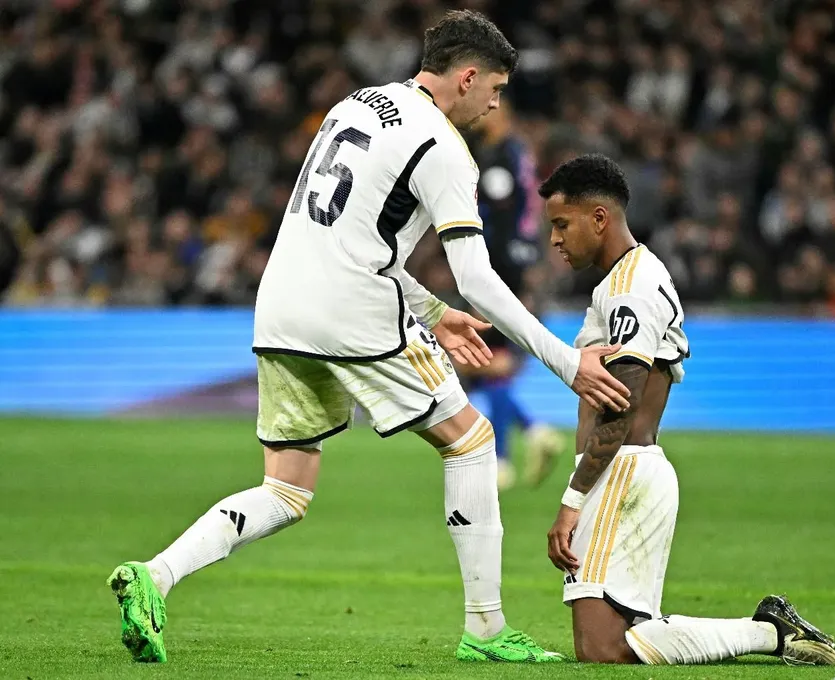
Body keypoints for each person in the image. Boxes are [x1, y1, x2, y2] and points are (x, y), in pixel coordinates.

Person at [106, 11, 630, 665]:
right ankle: (488, 630)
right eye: (494, 88)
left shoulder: (356, 104)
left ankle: (154, 578)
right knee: (472, 441)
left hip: (281, 308)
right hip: (352, 309)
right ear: (467, 77)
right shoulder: (443, 148)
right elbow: (480, 278)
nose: (496, 103)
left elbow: (351, 239)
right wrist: (566, 363)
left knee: (287, 488)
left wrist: (433, 313)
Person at [539, 154, 835, 667]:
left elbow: (624, 399)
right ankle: (770, 631)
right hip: (630, 470)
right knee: (624, 640)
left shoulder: (629, 289)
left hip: (621, 470)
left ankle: (767, 634)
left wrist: (573, 497)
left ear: (600, 219)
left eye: (561, 224)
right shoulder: (631, 278)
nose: (554, 239)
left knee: (601, 649)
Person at [462, 102, 562, 490]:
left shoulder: (499, 157)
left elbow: (499, 223)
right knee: (483, 363)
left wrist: (483, 283)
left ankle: (502, 461)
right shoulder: (519, 154)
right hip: (519, 268)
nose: (478, 113)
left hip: (502, 271)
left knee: (485, 362)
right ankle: (533, 431)